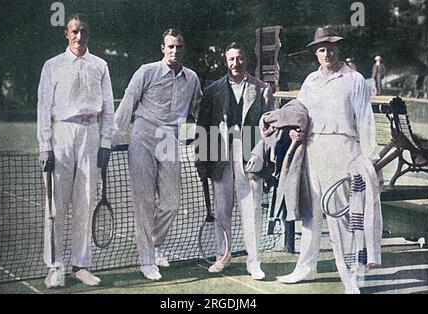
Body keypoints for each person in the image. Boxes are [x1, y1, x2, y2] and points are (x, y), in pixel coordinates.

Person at [276, 26, 380, 294]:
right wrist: (294, 128)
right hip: (313, 149)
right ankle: (305, 267)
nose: (327, 52)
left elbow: (366, 120)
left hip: (344, 149)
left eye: (331, 47)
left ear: (339, 48)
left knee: (342, 218)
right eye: (322, 49)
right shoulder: (310, 81)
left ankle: (350, 279)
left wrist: (368, 159)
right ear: (316, 53)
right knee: (311, 215)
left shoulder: (355, 79)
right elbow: (300, 112)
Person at [113, 29, 202, 281]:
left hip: (170, 139)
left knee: (172, 203)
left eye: (179, 47)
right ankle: (147, 260)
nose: (175, 51)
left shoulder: (192, 78)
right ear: (162, 48)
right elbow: (127, 104)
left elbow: (200, 109)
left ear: (183, 49)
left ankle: (151, 243)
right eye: (171, 46)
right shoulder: (146, 71)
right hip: (143, 136)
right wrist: (110, 141)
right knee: (145, 203)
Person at [37, 13, 114, 288]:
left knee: (85, 203)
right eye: (74, 31)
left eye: (83, 31)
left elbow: (108, 107)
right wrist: (45, 145)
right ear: (66, 34)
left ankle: (81, 265)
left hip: (91, 136)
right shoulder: (52, 66)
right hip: (62, 137)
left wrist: (106, 142)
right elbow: (44, 108)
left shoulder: (100, 65)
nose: (79, 36)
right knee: (56, 206)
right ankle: (55, 266)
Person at [195, 42, 274, 280]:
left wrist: (260, 153)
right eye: (231, 59)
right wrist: (203, 162)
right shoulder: (212, 91)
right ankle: (223, 256)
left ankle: (254, 262)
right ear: (225, 61)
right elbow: (203, 128)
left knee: (252, 211)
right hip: (221, 156)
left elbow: (271, 129)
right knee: (222, 211)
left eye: (239, 58)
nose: (235, 63)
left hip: (251, 153)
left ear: (245, 60)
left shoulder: (261, 89)